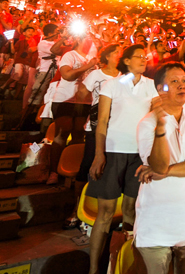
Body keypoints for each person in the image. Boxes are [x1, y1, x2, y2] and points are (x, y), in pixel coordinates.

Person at [133, 63, 185, 274]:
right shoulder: (147, 124)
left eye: (184, 81)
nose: (182, 86)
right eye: (174, 81)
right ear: (160, 89)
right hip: (156, 226)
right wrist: (161, 128)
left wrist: (167, 172)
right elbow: (158, 165)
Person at [87, 44, 155, 274]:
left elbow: (157, 116)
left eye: (145, 57)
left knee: (131, 210)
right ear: (126, 61)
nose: (143, 60)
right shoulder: (112, 84)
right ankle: (94, 269)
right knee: (105, 212)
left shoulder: (151, 85)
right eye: (139, 57)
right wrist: (99, 154)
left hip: (139, 154)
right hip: (113, 151)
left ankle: (124, 266)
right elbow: (102, 121)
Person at [64, 44, 121, 230]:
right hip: (96, 126)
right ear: (107, 56)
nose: (119, 55)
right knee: (88, 165)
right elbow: (82, 93)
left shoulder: (124, 77)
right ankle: (76, 208)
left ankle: (104, 210)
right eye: (116, 53)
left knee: (111, 168)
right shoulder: (96, 74)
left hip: (117, 127)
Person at [47, 36, 98, 185]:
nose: (92, 42)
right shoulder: (70, 55)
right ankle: (54, 172)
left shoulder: (91, 59)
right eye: (89, 39)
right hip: (65, 99)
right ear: (80, 40)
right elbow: (67, 75)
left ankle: (71, 171)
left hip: (85, 101)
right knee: (61, 134)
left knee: (78, 135)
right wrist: (87, 66)